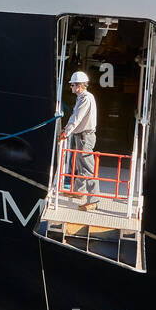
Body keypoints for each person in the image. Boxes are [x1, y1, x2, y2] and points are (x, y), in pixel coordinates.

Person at [58, 71, 99, 210]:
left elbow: (77, 117)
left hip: (85, 136)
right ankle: (78, 191)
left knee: (87, 167)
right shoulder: (82, 97)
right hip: (81, 135)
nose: (71, 87)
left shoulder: (85, 98)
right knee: (81, 165)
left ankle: (93, 200)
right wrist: (69, 130)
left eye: (72, 85)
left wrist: (66, 133)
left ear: (79, 86)